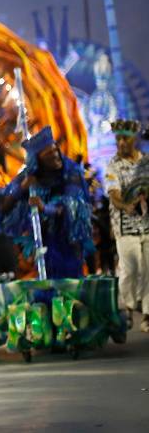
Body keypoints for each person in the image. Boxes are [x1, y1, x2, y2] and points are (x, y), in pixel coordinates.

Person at [0, 126, 93, 279]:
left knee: (69, 281)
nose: (55, 156)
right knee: (48, 282)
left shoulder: (71, 172)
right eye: (48, 154)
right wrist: (21, 188)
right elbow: (3, 207)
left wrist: (44, 207)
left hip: (70, 239)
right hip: (44, 241)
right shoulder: (30, 175)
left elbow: (70, 206)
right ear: (39, 160)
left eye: (55, 150)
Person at [105, 118, 149, 332]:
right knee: (130, 269)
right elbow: (114, 196)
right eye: (118, 139)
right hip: (125, 228)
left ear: (134, 139)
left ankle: (148, 314)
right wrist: (127, 205)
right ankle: (129, 308)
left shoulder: (145, 162)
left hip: (147, 225)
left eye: (125, 138)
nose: (121, 143)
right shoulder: (113, 165)